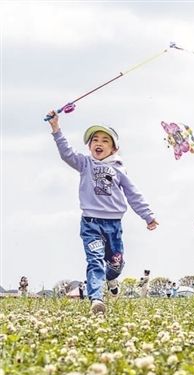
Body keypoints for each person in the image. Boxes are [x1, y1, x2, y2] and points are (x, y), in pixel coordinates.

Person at [47, 112, 158, 314]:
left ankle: (111, 279)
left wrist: (148, 216)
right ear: (89, 146)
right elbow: (66, 154)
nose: (99, 143)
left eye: (105, 140)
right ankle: (96, 300)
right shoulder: (85, 164)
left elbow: (133, 194)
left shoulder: (119, 169)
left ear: (114, 148)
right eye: (94, 140)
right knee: (95, 260)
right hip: (91, 224)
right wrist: (56, 128)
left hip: (114, 225)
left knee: (116, 265)